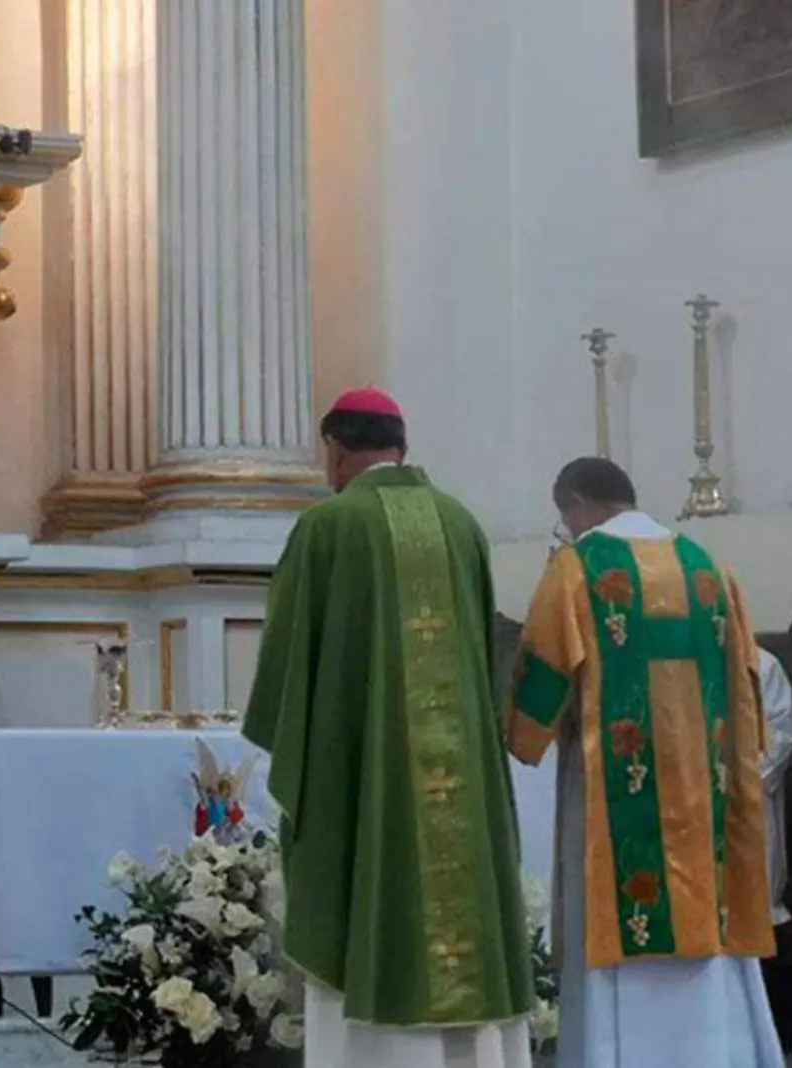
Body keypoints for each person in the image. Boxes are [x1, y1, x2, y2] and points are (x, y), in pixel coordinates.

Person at [243, 387, 536, 1068]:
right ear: (400, 444)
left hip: (365, 780)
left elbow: (290, 666)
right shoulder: (461, 524)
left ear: (337, 451)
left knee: (362, 876)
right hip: (459, 778)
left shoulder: (330, 527)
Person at [506, 457, 785, 1068]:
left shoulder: (578, 569)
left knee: (619, 915)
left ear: (574, 505)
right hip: (707, 799)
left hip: (615, 799)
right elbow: (747, 685)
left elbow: (542, 679)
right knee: (707, 933)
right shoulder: (708, 569)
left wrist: (520, 734)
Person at [758, 647, 792, 927]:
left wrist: (740, 773)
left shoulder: (761, 664)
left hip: (744, 791)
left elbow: (781, 731)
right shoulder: (666, 659)